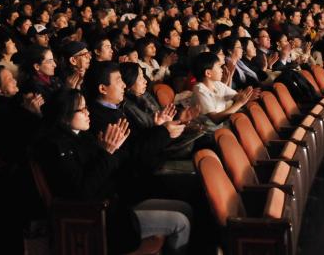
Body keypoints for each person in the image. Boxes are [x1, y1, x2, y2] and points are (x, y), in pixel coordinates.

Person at [35, 89, 193, 254]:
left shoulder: (82, 136)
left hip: (118, 204)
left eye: (86, 107)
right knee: (180, 223)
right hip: (102, 217)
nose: (87, 112)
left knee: (185, 208)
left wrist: (111, 149)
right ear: (64, 116)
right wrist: (107, 152)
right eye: (81, 110)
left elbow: (120, 164)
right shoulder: (57, 147)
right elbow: (82, 191)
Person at [191, 52, 256, 130]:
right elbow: (216, 119)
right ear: (208, 73)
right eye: (219, 66)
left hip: (221, 127)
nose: (221, 70)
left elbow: (236, 96)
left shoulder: (217, 84)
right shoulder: (199, 90)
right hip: (207, 133)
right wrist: (240, 103)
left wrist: (247, 95)